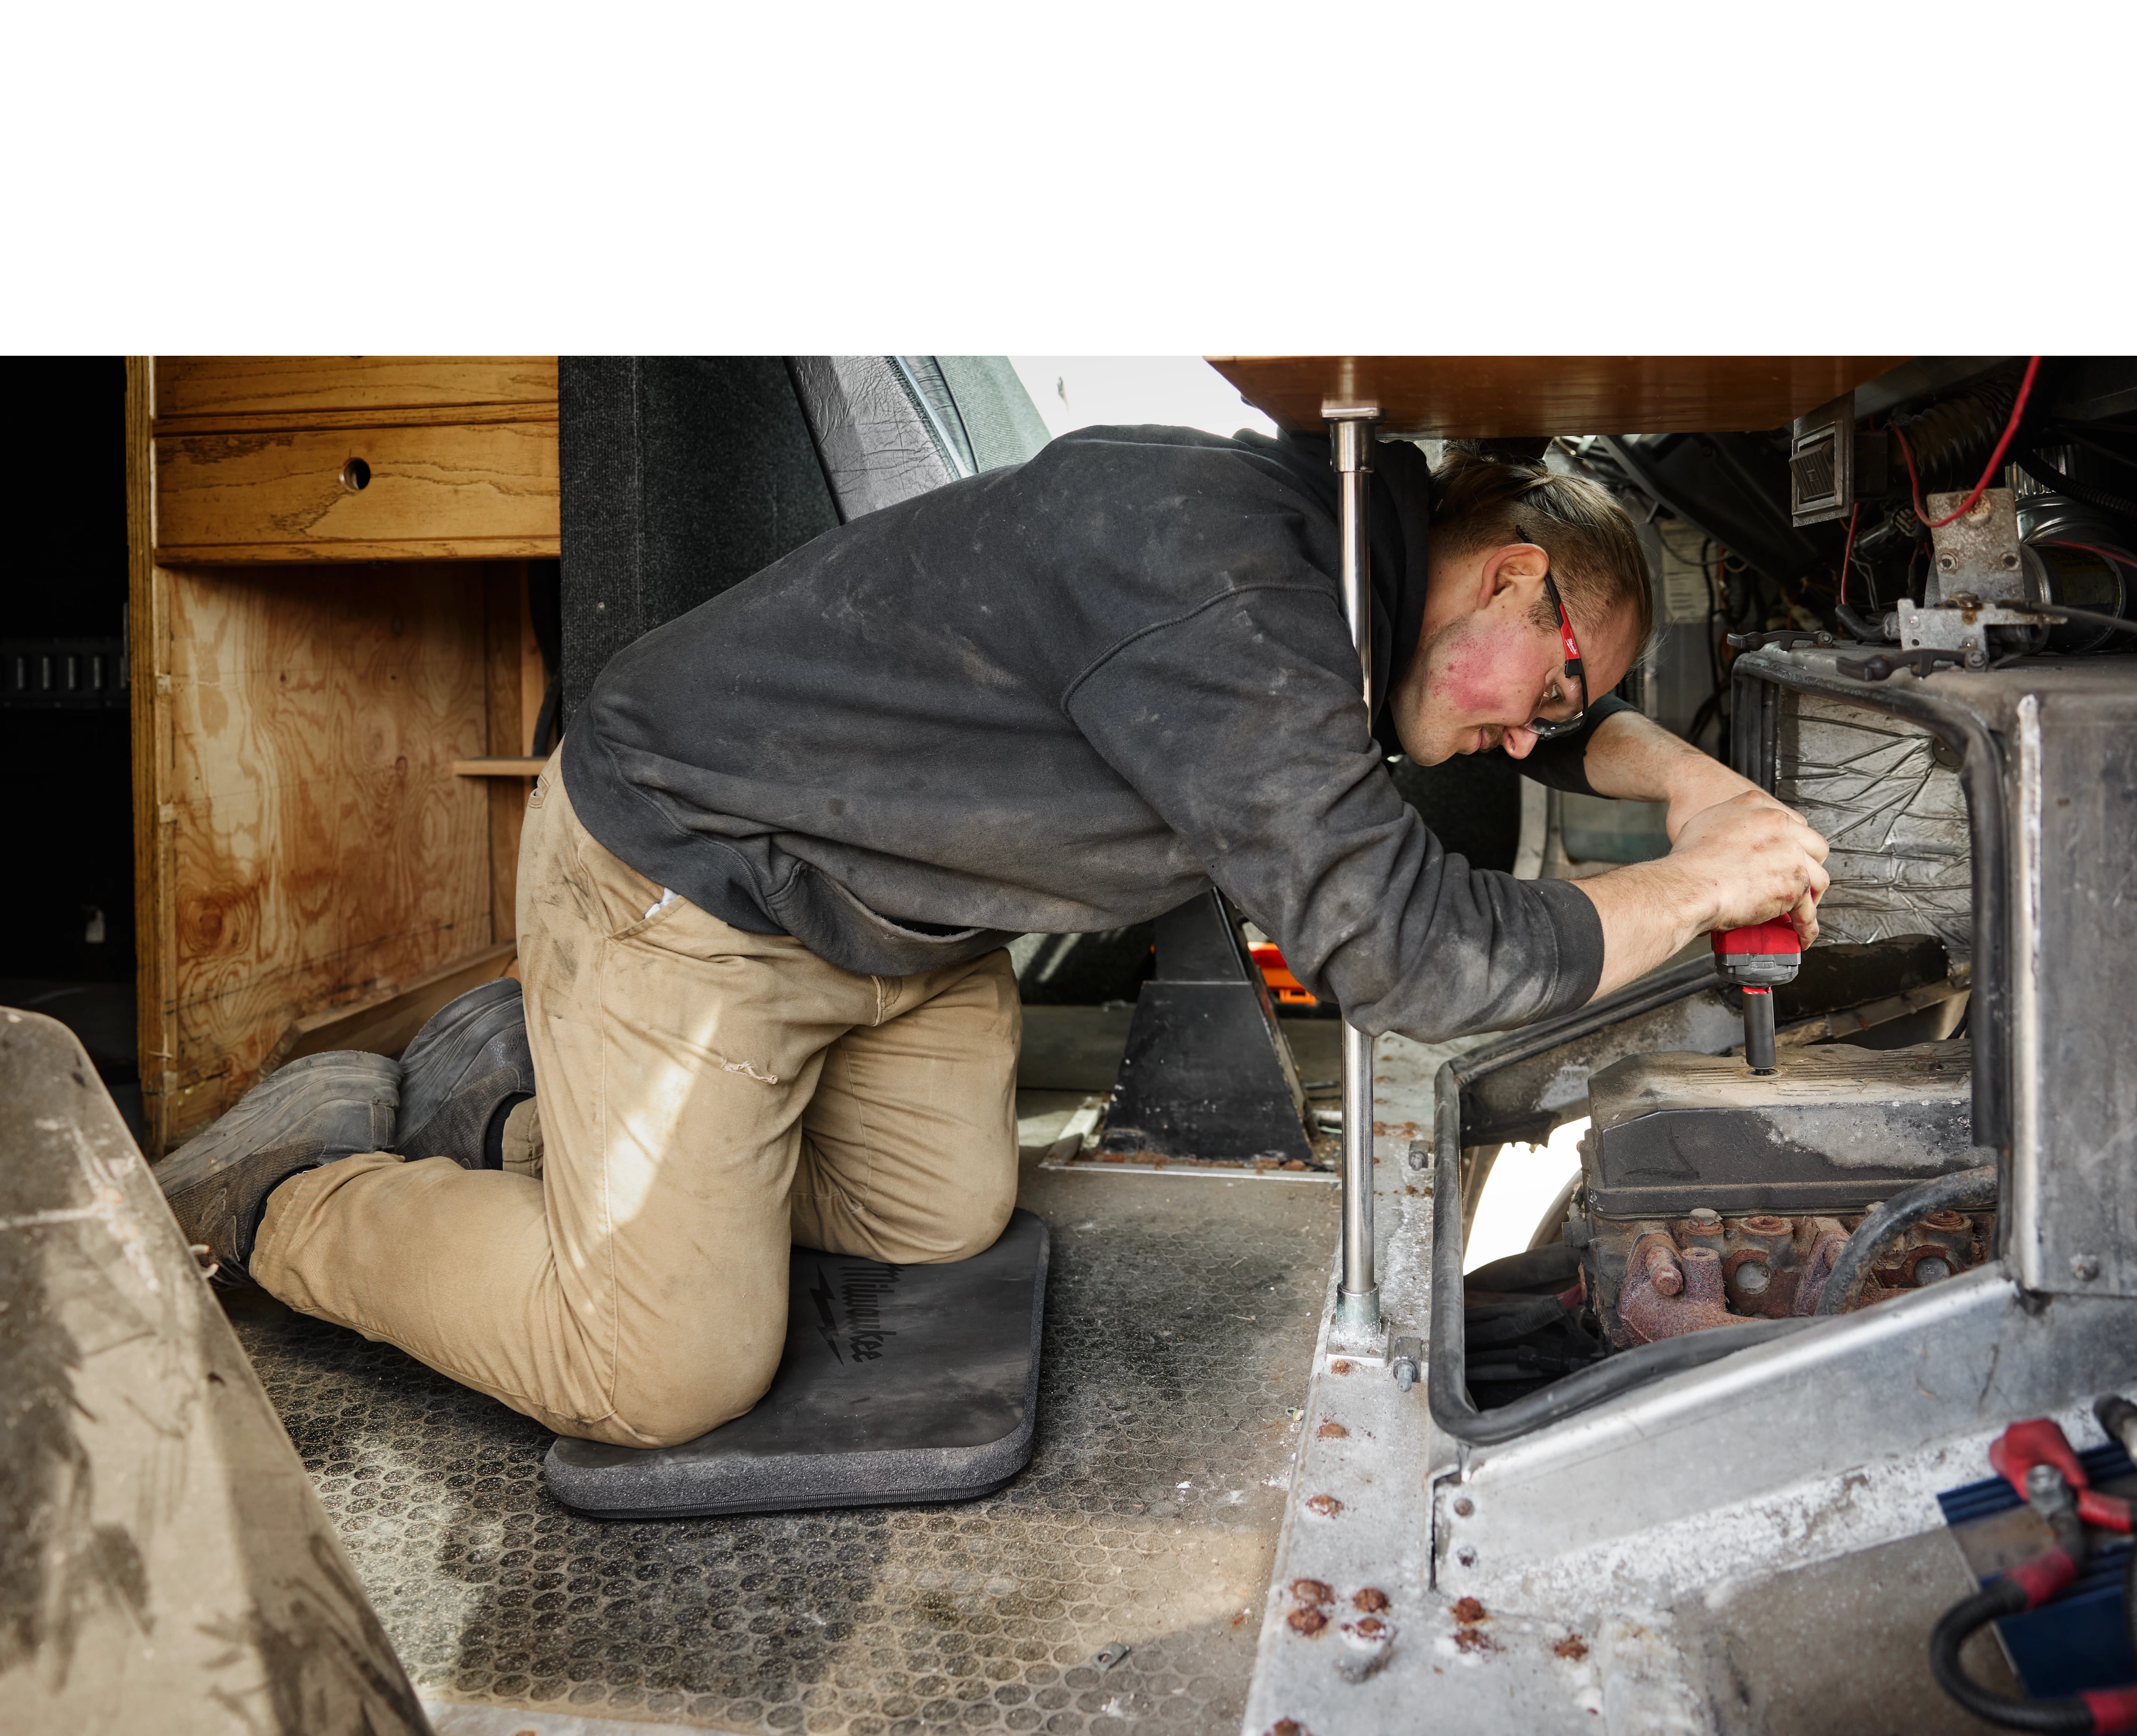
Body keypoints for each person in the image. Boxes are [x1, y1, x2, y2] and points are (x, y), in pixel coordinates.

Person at [158, 433, 1828, 1449]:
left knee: (941, 1220)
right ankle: (297, 1192)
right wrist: (1700, 885)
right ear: (1513, 579)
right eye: (1550, 696)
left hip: (894, 930)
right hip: (701, 887)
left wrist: (1695, 795)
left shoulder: (1339, 581)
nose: (1537, 742)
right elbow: (1416, 958)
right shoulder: (1241, 609)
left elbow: (1510, 768)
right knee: (662, 1370)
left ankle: (529, 1118)